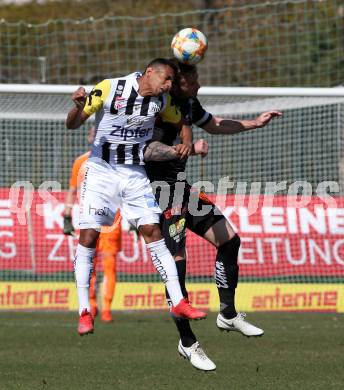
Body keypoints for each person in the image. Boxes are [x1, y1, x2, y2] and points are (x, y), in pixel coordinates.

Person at [144, 60, 282, 371]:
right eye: (193, 80)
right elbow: (147, 150)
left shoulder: (189, 104)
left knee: (230, 240)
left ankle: (228, 314)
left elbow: (215, 123)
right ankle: (188, 342)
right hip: (153, 193)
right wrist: (188, 150)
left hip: (180, 189)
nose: (199, 85)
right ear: (177, 82)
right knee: (177, 267)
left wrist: (254, 124)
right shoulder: (157, 106)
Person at [66, 58, 207, 336]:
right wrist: (78, 106)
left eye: (171, 81)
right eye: (166, 79)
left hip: (134, 173)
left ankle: (179, 301)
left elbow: (182, 121)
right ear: (149, 73)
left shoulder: (162, 101)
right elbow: (73, 124)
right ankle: (85, 310)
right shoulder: (110, 88)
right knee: (89, 236)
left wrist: (187, 141)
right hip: (101, 171)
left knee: (154, 232)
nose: (169, 85)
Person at [63, 126, 121, 323]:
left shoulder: (116, 160)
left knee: (105, 264)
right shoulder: (81, 161)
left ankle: (104, 308)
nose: (92, 135)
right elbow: (72, 190)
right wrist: (67, 214)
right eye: (91, 132)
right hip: (92, 218)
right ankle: (96, 306)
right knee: (93, 264)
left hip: (110, 220)